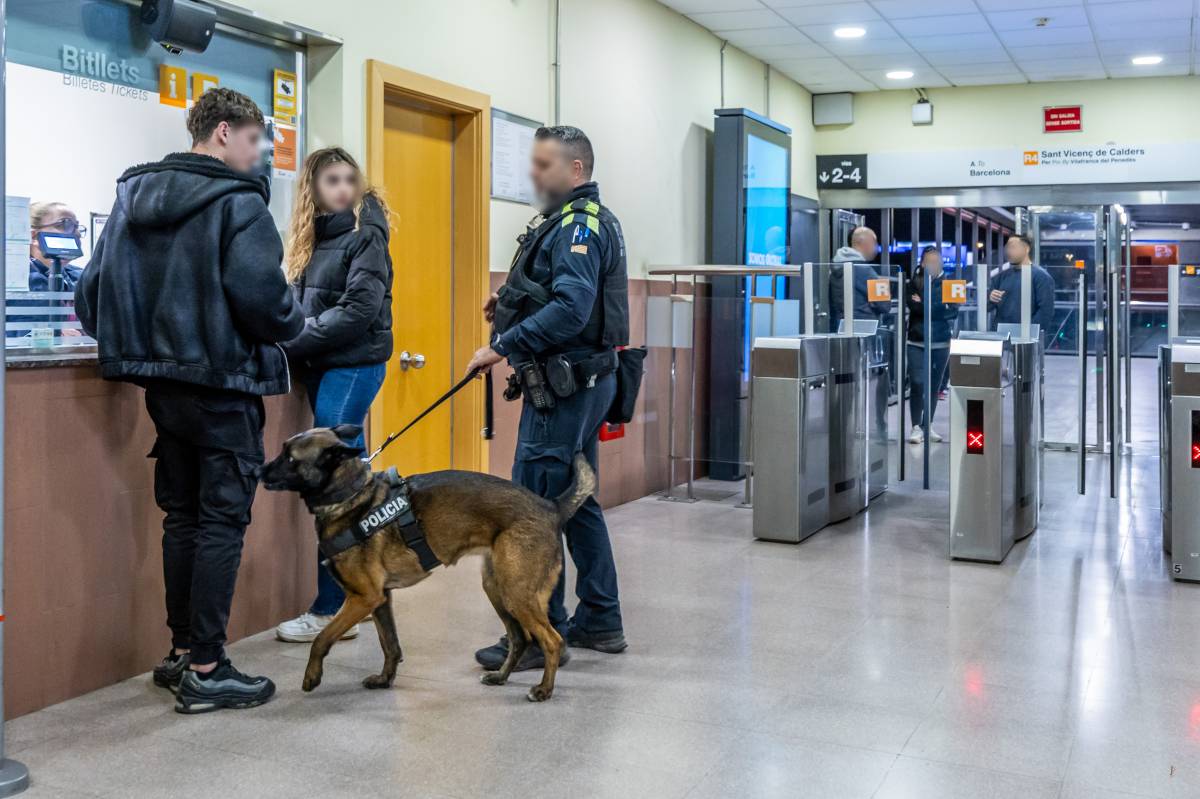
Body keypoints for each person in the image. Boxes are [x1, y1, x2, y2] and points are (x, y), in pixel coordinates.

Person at [75, 88, 304, 714]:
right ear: (225, 133)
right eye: (257, 141)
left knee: (182, 518)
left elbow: (90, 298)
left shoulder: (130, 202)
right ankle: (208, 665)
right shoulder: (239, 203)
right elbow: (267, 303)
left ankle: (181, 654)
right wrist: (298, 321)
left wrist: (148, 345)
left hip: (164, 392)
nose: (261, 156)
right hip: (224, 386)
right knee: (222, 520)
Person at [467, 125, 629, 671]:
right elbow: (556, 294)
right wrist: (509, 300)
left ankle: (538, 634)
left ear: (576, 170)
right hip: (583, 384)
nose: (533, 174)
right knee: (576, 501)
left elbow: (572, 309)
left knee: (531, 513)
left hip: (564, 389)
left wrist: (503, 344)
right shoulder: (578, 221)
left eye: (543, 165)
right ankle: (601, 620)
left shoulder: (577, 226)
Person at [274, 147, 393, 644]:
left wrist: (294, 338)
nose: (343, 188)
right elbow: (298, 304)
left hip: (355, 364)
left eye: (349, 179)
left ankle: (332, 608)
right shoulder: (312, 239)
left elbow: (359, 308)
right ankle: (363, 596)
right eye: (331, 180)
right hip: (326, 366)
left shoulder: (366, 233)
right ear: (313, 190)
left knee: (335, 490)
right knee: (355, 492)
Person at [906, 246, 958, 444]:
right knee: (918, 382)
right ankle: (915, 426)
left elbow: (952, 311)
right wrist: (937, 304)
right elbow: (915, 308)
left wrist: (926, 302)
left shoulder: (949, 283)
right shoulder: (913, 283)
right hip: (916, 340)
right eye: (929, 260)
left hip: (940, 341)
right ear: (922, 263)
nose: (933, 264)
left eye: (937, 260)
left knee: (934, 386)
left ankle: (929, 425)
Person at [989, 233, 1056, 341]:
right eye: (1007, 247)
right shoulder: (1001, 276)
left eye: (1013, 247)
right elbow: (987, 307)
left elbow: (1046, 310)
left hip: (1026, 339)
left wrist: (1029, 334)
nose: (1009, 251)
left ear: (1026, 249)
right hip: (1001, 336)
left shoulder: (1041, 277)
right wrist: (990, 298)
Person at [830, 226, 890, 327]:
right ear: (864, 243)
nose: (876, 247)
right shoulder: (865, 270)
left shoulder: (836, 266)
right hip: (865, 328)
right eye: (874, 242)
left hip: (841, 326)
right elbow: (885, 305)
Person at [28, 202, 85, 292]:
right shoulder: (12, 279)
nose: (77, 234)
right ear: (33, 236)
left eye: (76, 226)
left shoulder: (82, 277)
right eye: (66, 224)